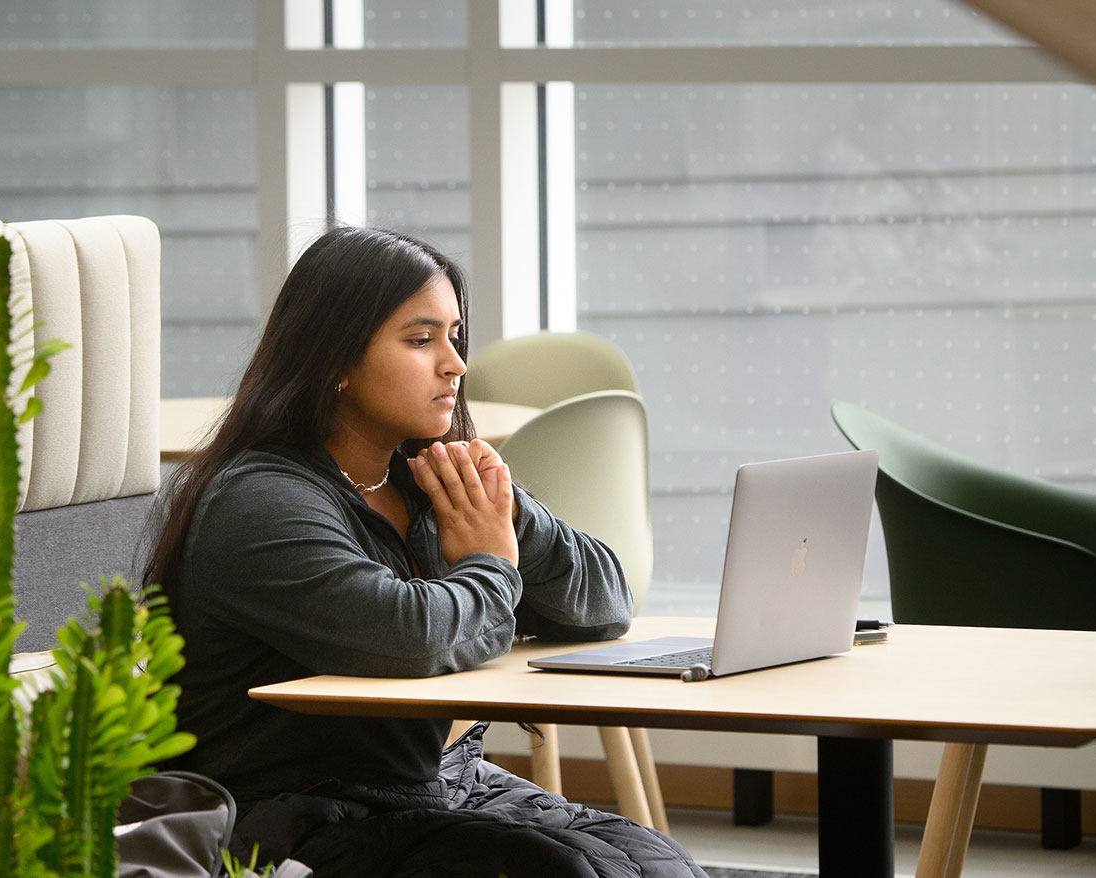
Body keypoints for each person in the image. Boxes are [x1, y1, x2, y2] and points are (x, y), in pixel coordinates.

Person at [144, 226, 706, 877]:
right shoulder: (261, 501)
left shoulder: (427, 477)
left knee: (658, 863)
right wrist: (493, 564)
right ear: (336, 364)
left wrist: (513, 517)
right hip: (298, 817)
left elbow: (606, 604)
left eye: (454, 336)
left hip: (444, 781)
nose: (455, 364)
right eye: (421, 339)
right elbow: (411, 637)